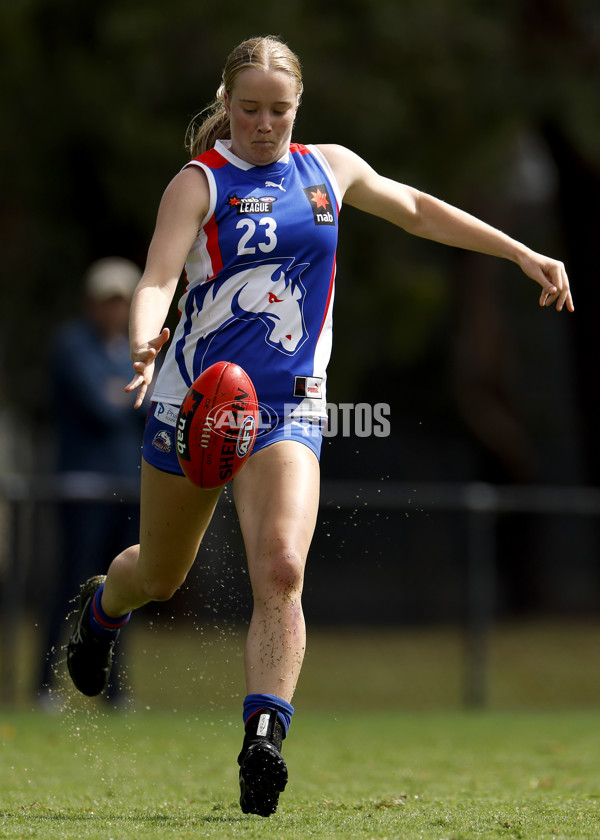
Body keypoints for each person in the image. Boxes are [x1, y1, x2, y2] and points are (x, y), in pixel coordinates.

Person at [66, 36, 573, 816]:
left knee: (282, 568)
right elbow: (160, 273)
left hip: (287, 409)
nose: (264, 124)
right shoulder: (198, 183)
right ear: (226, 103)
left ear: (297, 108)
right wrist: (143, 333)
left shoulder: (328, 168)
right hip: (192, 406)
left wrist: (521, 252)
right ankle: (104, 609)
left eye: (279, 110)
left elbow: (417, 211)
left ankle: (263, 738)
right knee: (161, 578)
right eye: (249, 109)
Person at [40, 257, 144, 705]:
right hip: (83, 488)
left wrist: (119, 392)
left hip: (127, 488)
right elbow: (102, 407)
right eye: (108, 302)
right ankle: (44, 684)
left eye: (123, 303)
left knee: (120, 589)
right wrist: (130, 395)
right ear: (92, 303)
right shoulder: (71, 345)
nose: (115, 312)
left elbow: (142, 407)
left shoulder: (132, 351)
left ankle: (113, 690)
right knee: (72, 584)